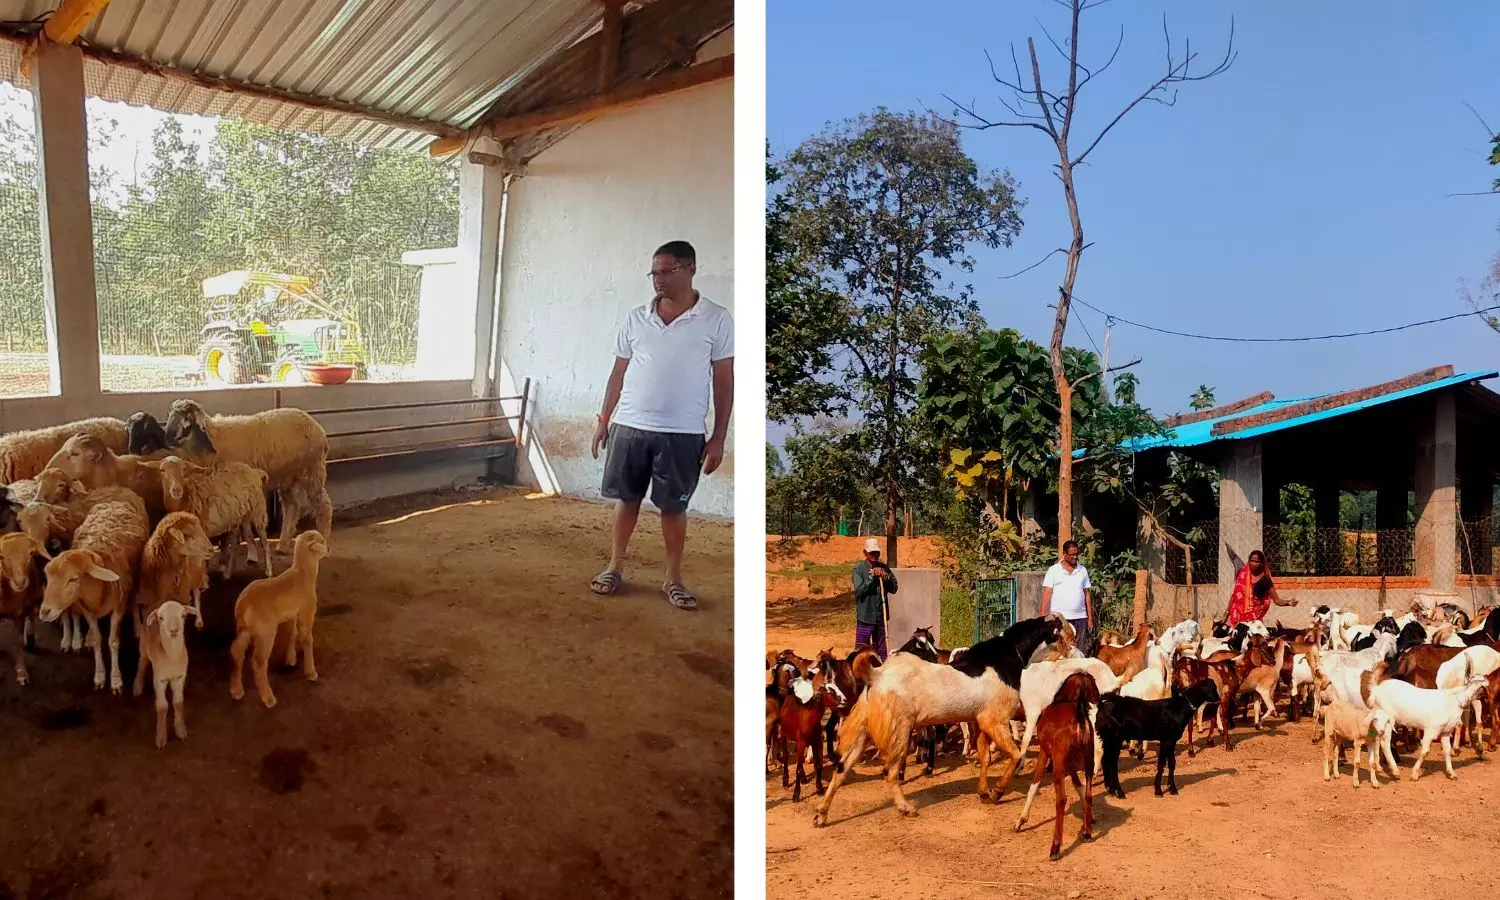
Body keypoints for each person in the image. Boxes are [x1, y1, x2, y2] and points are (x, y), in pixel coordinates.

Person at [588, 241, 734, 610]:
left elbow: (724, 381)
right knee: (627, 499)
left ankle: (673, 579)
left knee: (674, 507)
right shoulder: (636, 317)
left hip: (683, 432)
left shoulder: (716, 319)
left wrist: (718, 437)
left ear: (690, 269)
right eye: (654, 272)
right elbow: (618, 372)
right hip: (630, 425)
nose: (658, 280)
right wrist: (604, 419)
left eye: (667, 271)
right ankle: (614, 567)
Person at [1041, 540, 1093, 654]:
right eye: (1072, 555)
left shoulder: (1082, 570)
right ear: (1064, 554)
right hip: (1060, 619)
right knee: (1061, 649)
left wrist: (1090, 618)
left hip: (1080, 618)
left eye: (1076, 554)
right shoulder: (1053, 570)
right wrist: (1042, 615)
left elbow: (1087, 594)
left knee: (1079, 651)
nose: (1075, 557)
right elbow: (1047, 593)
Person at [1224, 549, 1296, 627]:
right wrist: (1227, 613)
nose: (1254, 564)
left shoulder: (1265, 581)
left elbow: (1277, 600)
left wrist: (1288, 602)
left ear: (1262, 563)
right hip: (1236, 616)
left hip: (1253, 619)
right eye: (1251, 561)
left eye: (1257, 562)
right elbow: (1234, 596)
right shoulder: (1243, 575)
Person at [852, 538, 897, 659]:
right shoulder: (859, 569)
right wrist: (871, 577)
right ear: (865, 553)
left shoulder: (884, 568)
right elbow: (859, 592)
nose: (874, 555)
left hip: (881, 618)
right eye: (871, 553)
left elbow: (894, 588)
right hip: (865, 617)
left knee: (881, 652)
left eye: (876, 552)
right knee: (861, 652)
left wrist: (886, 577)